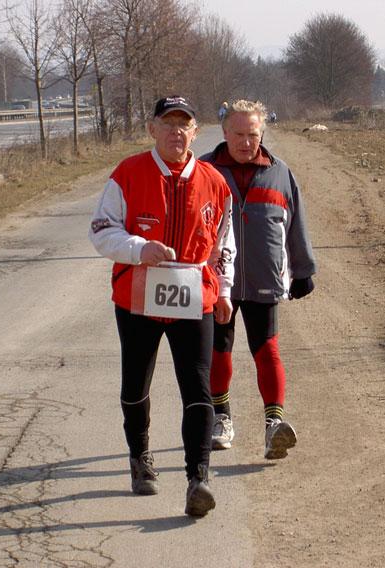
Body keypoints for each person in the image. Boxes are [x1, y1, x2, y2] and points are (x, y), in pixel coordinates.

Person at [89, 95, 235, 517]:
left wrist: (225, 290)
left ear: (195, 131)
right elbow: (101, 230)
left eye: (183, 124)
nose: (176, 132)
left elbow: (224, 243)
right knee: (136, 384)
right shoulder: (128, 173)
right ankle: (140, 457)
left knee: (198, 386)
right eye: (167, 123)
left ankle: (198, 478)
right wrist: (139, 248)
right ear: (152, 129)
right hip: (137, 297)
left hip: (195, 296)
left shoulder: (214, 182)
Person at [200, 99, 316, 460]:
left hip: (264, 276)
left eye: (252, 134)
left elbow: (295, 223)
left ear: (262, 132)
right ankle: (221, 417)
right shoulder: (204, 170)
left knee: (267, 350)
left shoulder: (280, 173)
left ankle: (273, 425)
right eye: (238, 134)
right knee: (218, 349)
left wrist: (304, 268)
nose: (245, 142)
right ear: (224, 132)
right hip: (216, 279)